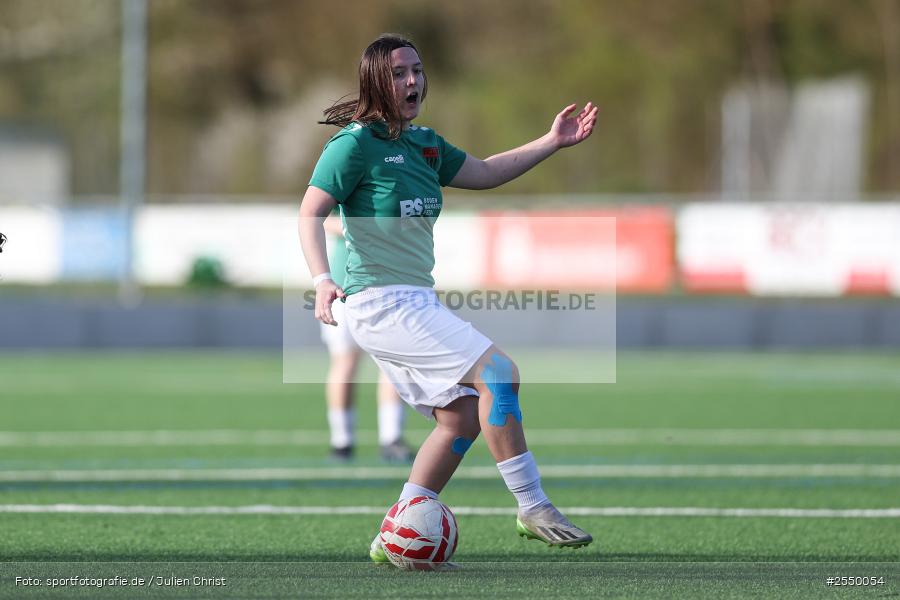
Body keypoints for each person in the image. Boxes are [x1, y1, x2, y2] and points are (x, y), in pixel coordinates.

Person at [298, 34, 599, 560]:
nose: (412, 81)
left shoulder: (426, 145)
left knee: (460, 415)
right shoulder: (353, 145)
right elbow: (310, 213)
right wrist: (323, 278)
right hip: (378, 302)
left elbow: (484, 173)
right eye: (397, 73)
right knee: (500, 374)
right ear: (375, 81)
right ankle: (532, 504)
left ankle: (397, 527)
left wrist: (550, 142)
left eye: (416, 70)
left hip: (415, 300)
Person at [320, 212, 414, 463]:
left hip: (388, 287)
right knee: (345, 362)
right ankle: (342, 440)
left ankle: (391, 438)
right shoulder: (347, 173)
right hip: (345, 287)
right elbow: (318, 216)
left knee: (393, 363)